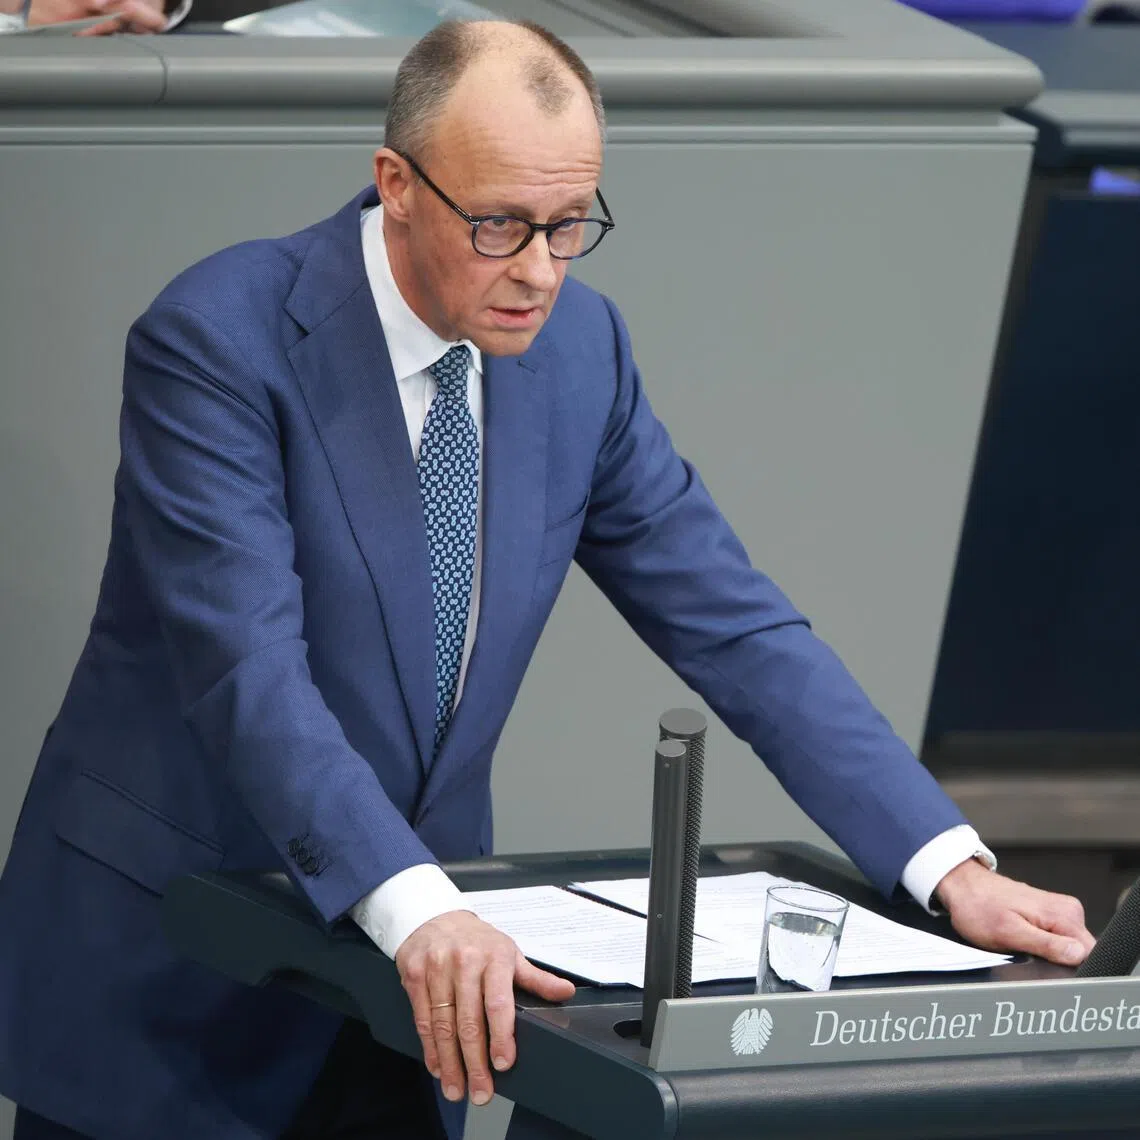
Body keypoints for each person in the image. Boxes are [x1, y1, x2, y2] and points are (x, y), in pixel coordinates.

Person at [0, 17, 1095, 1140]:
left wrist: (945, 861)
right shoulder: (221, 339)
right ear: (398, 185)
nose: (539, 270)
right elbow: (247, 671)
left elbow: (738, 627)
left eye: (572, 225)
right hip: (177, 981)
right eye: (501, 225)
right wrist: (419, 907)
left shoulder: (581, 351)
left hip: (405, 996)